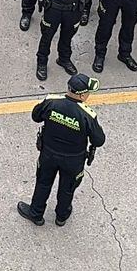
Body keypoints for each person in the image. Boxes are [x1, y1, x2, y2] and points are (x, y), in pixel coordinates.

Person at [16, 72, 105, 228]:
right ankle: (61, 216)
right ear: (82, 96)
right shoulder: (87, 115)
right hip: (73, 160)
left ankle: (36, 214)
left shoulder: (51, 102)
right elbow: (99, 140)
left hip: (48, 154)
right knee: (67, 188)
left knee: (43, 183)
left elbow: (36, 116)